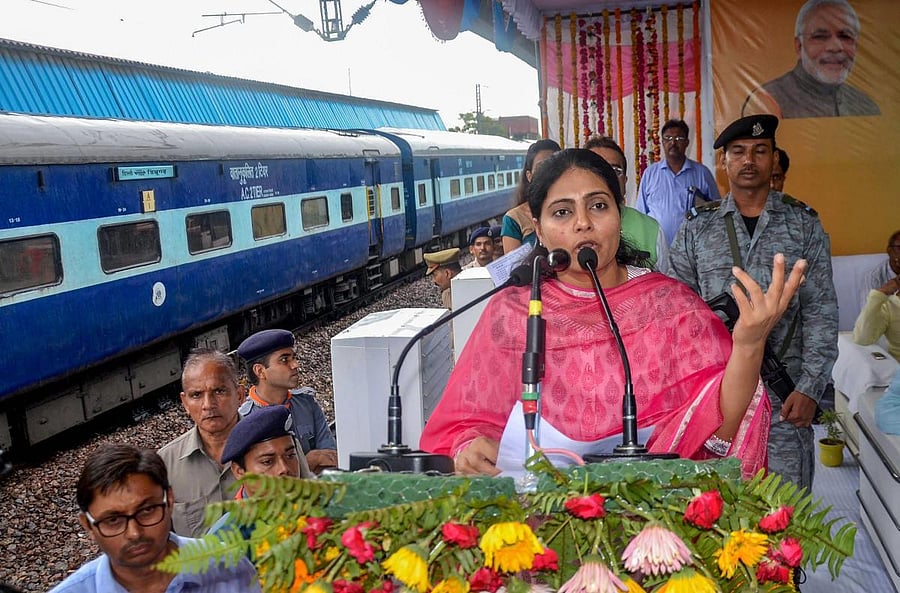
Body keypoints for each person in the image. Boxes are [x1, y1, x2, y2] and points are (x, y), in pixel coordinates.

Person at [420, 148, 806, 480]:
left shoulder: (670, 306)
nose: (582, 222)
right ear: (537, 228)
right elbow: (462, 425)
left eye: (598, 206)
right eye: (562, 212)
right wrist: (465, 448)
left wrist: (750, 344)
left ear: (620, 215)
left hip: (652, 533)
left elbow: (720, 430)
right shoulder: (514, 311)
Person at [667, 114, 838, 491]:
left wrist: (810, 387)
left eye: (760, 151)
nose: (749, 160)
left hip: (785, 398)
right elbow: (675, 313)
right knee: (715, 515)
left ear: (774, 159)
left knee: (786, 515)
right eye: (738, 152)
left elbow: (821, 310)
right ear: (723, 163)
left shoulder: (803, 223)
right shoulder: (697, 227)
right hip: (717, 400)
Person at [49, 443, 260, 592]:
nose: (134, 533)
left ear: (169, 501)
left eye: (147, 511)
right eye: (113, 520)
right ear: (88, 525)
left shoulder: (229, 568)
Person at [158, 348, 245, 537]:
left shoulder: (276, 447)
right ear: (185, 403)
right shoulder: (166, 463)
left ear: (239, 395)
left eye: (219, 391)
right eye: (196, 395)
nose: (208, 404)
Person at [742, 0, 879, 119]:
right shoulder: (766, 102)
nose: (835, 47)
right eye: (820, 36)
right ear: (799, 46)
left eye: (845, 36)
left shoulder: (867, 106)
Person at [237, 329, 336, 474]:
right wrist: (311, 460)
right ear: (260, 371)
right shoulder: (245, 420)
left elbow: (331, 460)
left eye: (293, 358)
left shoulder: (307, 404)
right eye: (284, 360)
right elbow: (261, 480)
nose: (295, 365)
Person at [585, 135, 669, 271]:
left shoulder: (651, 229)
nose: (607, 178)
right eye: (596, 170)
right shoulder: (569, 227)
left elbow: (666, 285)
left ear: (625, 181)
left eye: (615, 171)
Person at [636, 119, 721, 245]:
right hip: (657, 249)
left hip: (693, 248)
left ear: (687, 142)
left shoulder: (702, 173)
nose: (673, 143)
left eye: (679, 139)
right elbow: (641, 214)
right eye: (668, 138)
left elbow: (717, 210)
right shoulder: (650, 174)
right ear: (662, 142)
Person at [501, 139, 561, 253]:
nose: (548, 173)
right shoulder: (514, 219)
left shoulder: (577, 211)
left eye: (555, 166)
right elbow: (514, 269)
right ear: (529, 176)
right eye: (541, 167)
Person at [853, 232, 900, 361]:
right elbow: (867, 318)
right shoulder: (874, 278)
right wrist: (882, 293)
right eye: (899, 248)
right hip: (884, 341)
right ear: (889, 250)